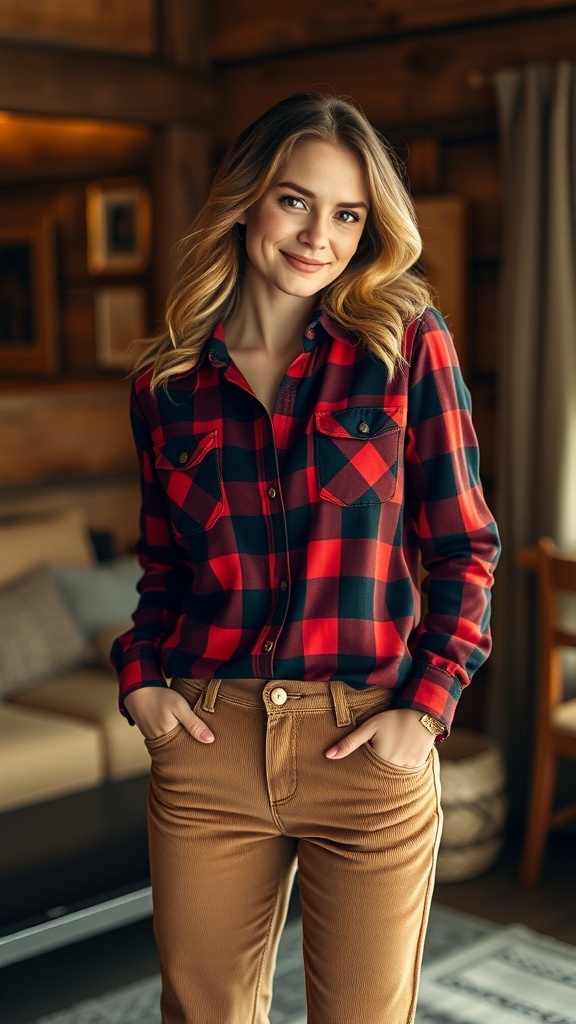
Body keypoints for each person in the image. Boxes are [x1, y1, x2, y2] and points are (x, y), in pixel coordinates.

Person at [111, 92, 500, 1024]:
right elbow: (163, 568)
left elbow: (464, 543)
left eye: (348, 213)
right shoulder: (165, 384)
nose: (317, 234)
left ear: (370, 228)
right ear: (247, 200)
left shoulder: (406, 343)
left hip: (367, 743)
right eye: (295, 200)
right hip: (208, 745)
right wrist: (142, 684)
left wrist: (427, 706)